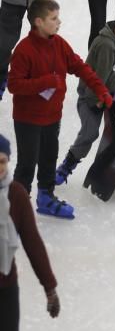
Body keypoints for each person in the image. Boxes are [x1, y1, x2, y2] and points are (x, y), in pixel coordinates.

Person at [8, 0, 111, 219]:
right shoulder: (24, 50)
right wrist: (44, 82)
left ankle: (45, 197)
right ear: (38, 22)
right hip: (28, 120)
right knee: (27, 164)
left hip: (52, 116)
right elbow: (14, 85)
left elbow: (80, 67)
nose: (59, 22)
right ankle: (18, 206)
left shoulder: (59, 44)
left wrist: (100, 89)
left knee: (48, 158)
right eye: (53, 18)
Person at [55, 2, 115, 188]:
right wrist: (97, 101)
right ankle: (68, 164)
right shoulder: (105, 45)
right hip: (91, 95)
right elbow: (96, 78)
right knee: (89, 132)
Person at [0, 134, 60, 330]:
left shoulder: (16, 195)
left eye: (2, 161)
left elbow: (32, 242)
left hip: (5, 285)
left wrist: (49, 288)